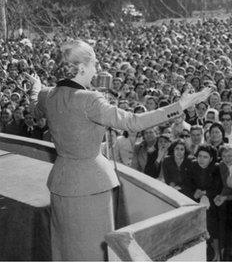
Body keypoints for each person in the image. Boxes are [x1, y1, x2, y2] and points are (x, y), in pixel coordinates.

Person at [26, 40, 211, 261]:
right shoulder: (90, 100)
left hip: (60, 182)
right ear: (82, 68)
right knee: (94, 250)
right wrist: (180, 105)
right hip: (91, 185)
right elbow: (133, 122)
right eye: (94, 64)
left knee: (65, 248)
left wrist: (36, 85)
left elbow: (33, 107)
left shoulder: (48, 95)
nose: (96, 69)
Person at [182, 144, 222, 261]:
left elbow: (218, 187)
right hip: (195, 201)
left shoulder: (217, 168)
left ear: (211, 158)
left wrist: (205, 193)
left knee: (213, 226)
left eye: (205, 157)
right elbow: (187, 184)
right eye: (199, 156)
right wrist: (194, 193)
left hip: (213, 202)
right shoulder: (192, 165)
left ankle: (217, 254)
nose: (201, 159)